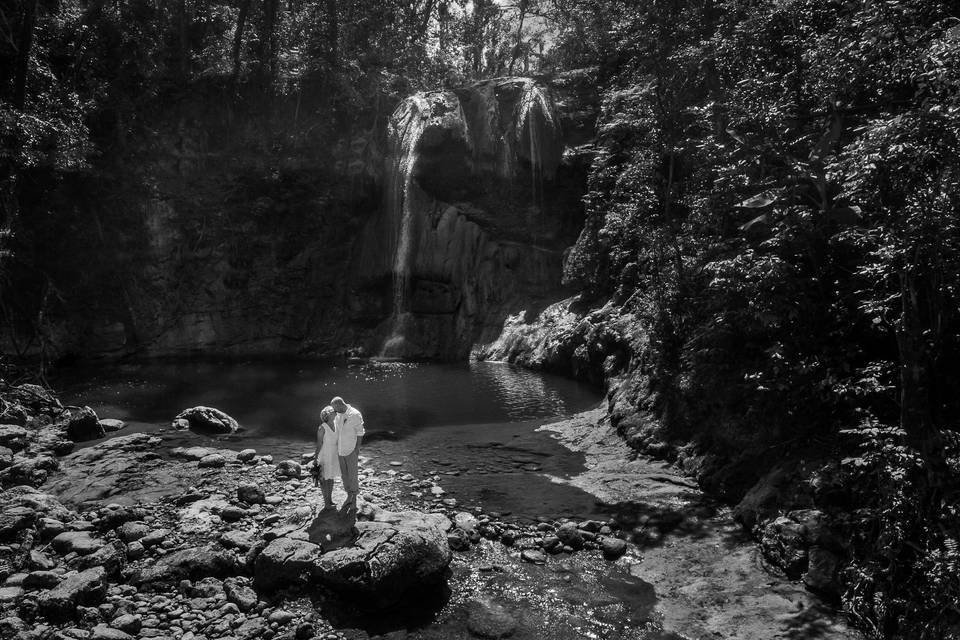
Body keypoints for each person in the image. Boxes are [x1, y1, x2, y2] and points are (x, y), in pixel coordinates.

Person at [331, 396, 364, 510]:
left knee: (353, 475)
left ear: (340, 405)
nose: (334, 411)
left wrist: (357, 449)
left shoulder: (355, 414)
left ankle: (354, 500)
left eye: (335, 408)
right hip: (340, 450)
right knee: (344, 475)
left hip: (351, 450)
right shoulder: (338, 414)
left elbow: (360, 432)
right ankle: (348, 496)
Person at [313, 405, 340, 511]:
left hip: (334, 455)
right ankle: (326, 503)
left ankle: (330, 500)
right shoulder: (322, 428)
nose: (336, 412)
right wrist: (315, 459)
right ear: (328, 414)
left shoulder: (336, 424)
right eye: (333, 411)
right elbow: (319, 444)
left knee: (331, 478)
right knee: (324, 479)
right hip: (325, 455)